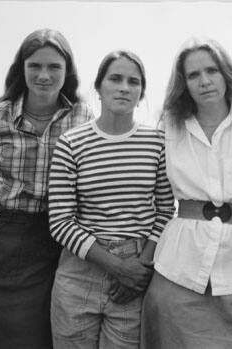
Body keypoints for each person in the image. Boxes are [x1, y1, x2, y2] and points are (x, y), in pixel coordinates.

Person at [141, 37, 232, 349]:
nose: (204, 81)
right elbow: (152, 193)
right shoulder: (169, 126)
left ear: (226, 73)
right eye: (193, 75)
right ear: (183, 83)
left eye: (212, 71)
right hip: (180, 265)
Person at [0, 28, 94, 348]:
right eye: (35, 66)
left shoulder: (83, 119)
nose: (44, 75)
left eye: (54, 67)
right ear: (21, 68)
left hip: (48, 242)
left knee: (36, 337)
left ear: (68, 72)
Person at [48, 50, 175, 349]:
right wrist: (118, 267)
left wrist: (140, 269)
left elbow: (166, 210)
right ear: (99, 87)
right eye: (115, 79)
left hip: (136, 271)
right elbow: (60, 221)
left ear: (141, 93)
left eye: (133, 82)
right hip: (80, 273)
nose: (124, 87)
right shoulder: (71, 143)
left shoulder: (157, 142)